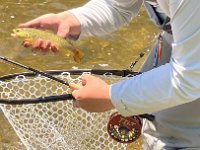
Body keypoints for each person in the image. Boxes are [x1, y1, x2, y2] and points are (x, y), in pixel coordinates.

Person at [19, 0, 200, 149]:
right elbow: (117, 6)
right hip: (182, 42)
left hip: (189, 67)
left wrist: (111, 96)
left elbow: (189, 77)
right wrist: (70, 19)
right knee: (155, 127)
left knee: (175, 141)